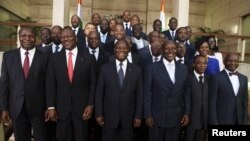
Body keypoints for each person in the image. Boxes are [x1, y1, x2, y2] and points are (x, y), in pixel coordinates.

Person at [46, 27, 96, 141]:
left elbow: (93, 84)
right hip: (61, 109)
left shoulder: (88, 58)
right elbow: (50, 84)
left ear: (76, 39)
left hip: (82, 109)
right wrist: (51, 107)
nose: (65, 39)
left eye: (68, 36)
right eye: (62, 37)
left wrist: (90, 104)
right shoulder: (54, 58)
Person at [0, 27, 48, 141]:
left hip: (39, 109)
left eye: (31, 36)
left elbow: (48, 84)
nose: (27, 38)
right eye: (24, 36)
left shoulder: (45, 57)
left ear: (35, 38)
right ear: (19, 37)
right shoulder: (8, 56)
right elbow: (4, 83)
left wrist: (49, 106)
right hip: (17, 109)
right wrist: (4, 108)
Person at [95, 40, 143, 141]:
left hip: (128, 117)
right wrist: (99, 113)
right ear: (114, 50)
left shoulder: (137, 70)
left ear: (128, 50)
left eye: (124, 48)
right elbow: (99, 93)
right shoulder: (104, 69)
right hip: (109, 117)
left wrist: (138, 115)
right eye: (118, 48)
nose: (121, 50)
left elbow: (139, 95)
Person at [144, 40, 190, 141]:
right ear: (162, 50)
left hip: (176, 116)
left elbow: (186, 93)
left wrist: (186, 113)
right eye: (167, 48)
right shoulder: (152, 67)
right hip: (156, 116)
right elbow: (147, 93)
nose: (170, 51)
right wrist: (147, 115)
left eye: (173, 48)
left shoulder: (184, 68)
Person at [209, 53, 248, 125]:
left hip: (239, 120)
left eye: (236, 61)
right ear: (224, 62)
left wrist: (244, 121)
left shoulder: (244, 78)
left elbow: (244, 103)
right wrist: (214, 122)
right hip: (222, 120)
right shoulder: (216, 78)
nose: (233, 63)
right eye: (230, 60)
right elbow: (212, 103)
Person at [184, 55, 209, 141]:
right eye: (199, 63)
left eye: (205, 63)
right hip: (191, 118)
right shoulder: (188, 78)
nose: (202, 65)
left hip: (204, 119)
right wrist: (186, 114)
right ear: (193, 65)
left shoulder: (209, 79)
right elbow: (186, 98)